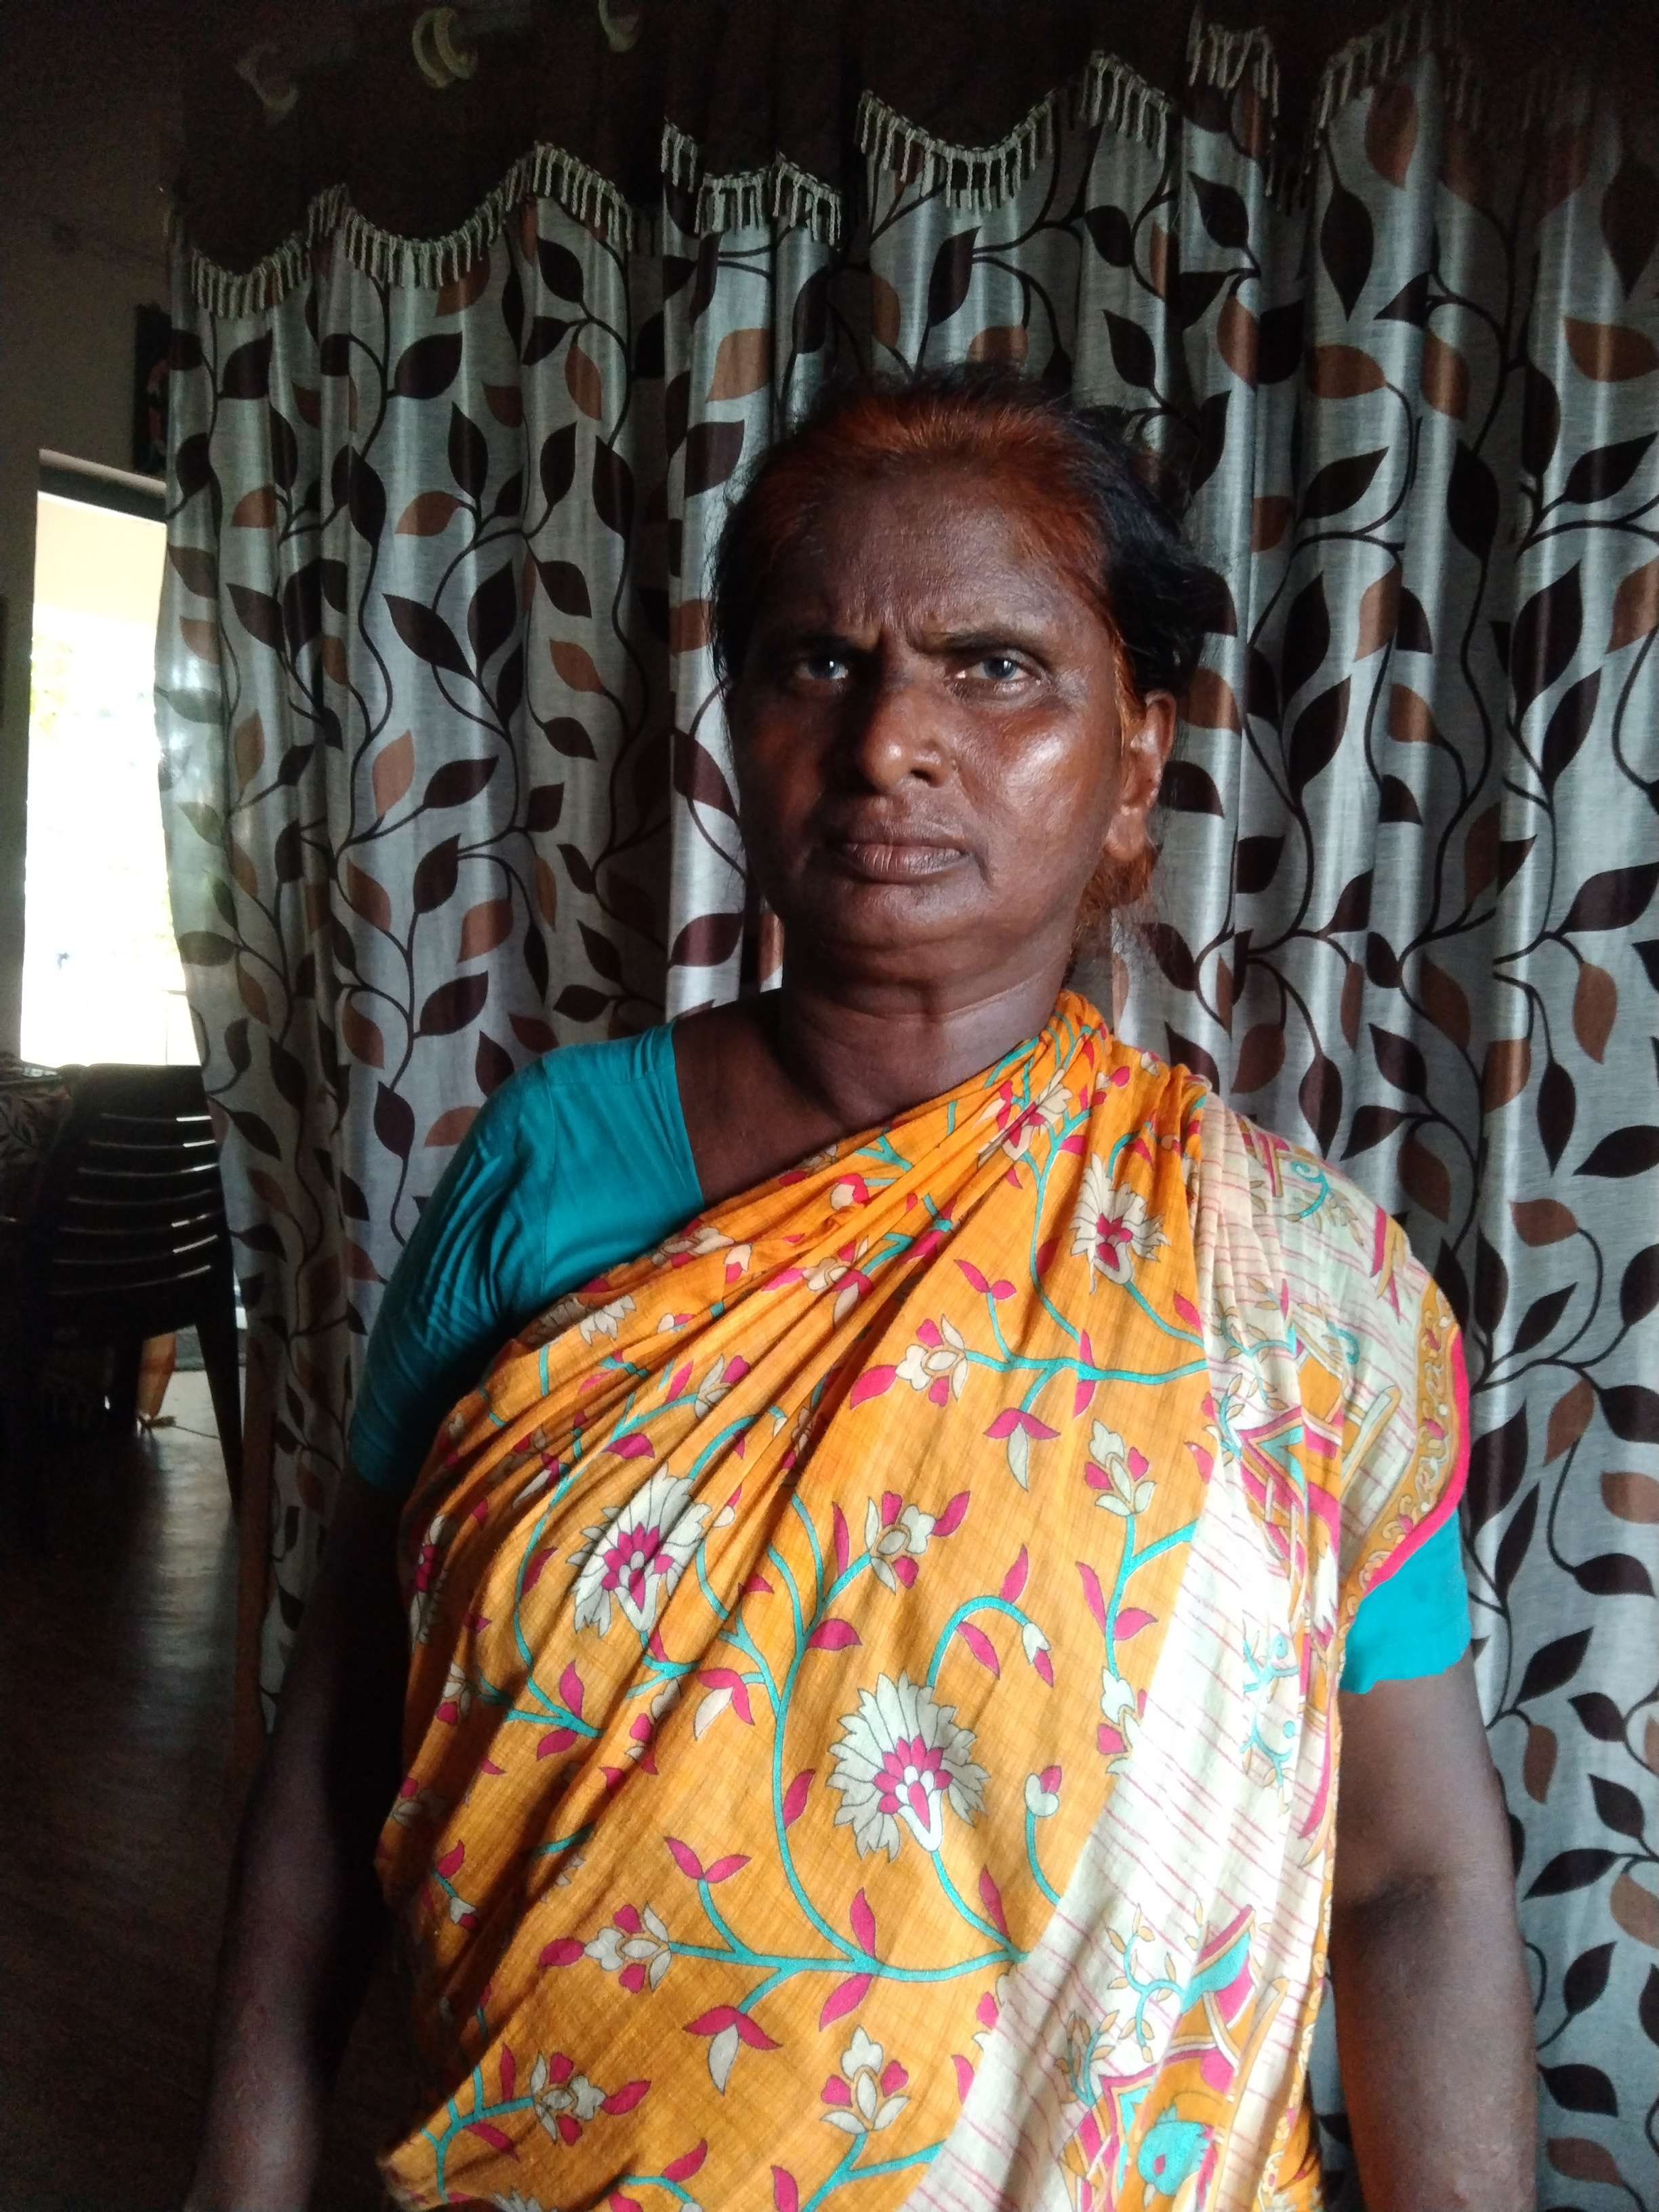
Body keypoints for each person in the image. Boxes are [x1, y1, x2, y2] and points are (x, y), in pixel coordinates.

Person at [187, 369, 1534, 2212]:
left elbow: (1414, 1876)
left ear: (1137, 753)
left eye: (997, 668)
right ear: (740, 725)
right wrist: (244, 2174)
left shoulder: (1294, 1293)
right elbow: (349, 1723)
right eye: (818, 662)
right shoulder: (552, 1164)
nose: (893, 737)